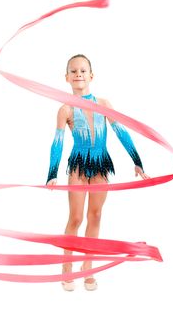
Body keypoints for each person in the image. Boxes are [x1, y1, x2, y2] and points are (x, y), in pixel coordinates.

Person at [46, 54, 149, 291]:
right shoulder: (66, 109)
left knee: (95, 216)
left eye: (83, 70)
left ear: (91, 75)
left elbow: (121, 131)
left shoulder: (103, 104)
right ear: (66, 78)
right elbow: (57, 143)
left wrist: (137, 161)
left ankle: (88, 266)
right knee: (76, 218)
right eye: (73, 71)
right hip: (79, 167)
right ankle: (67, 265)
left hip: (101, 165)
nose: (78, 74)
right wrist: (52, 173)